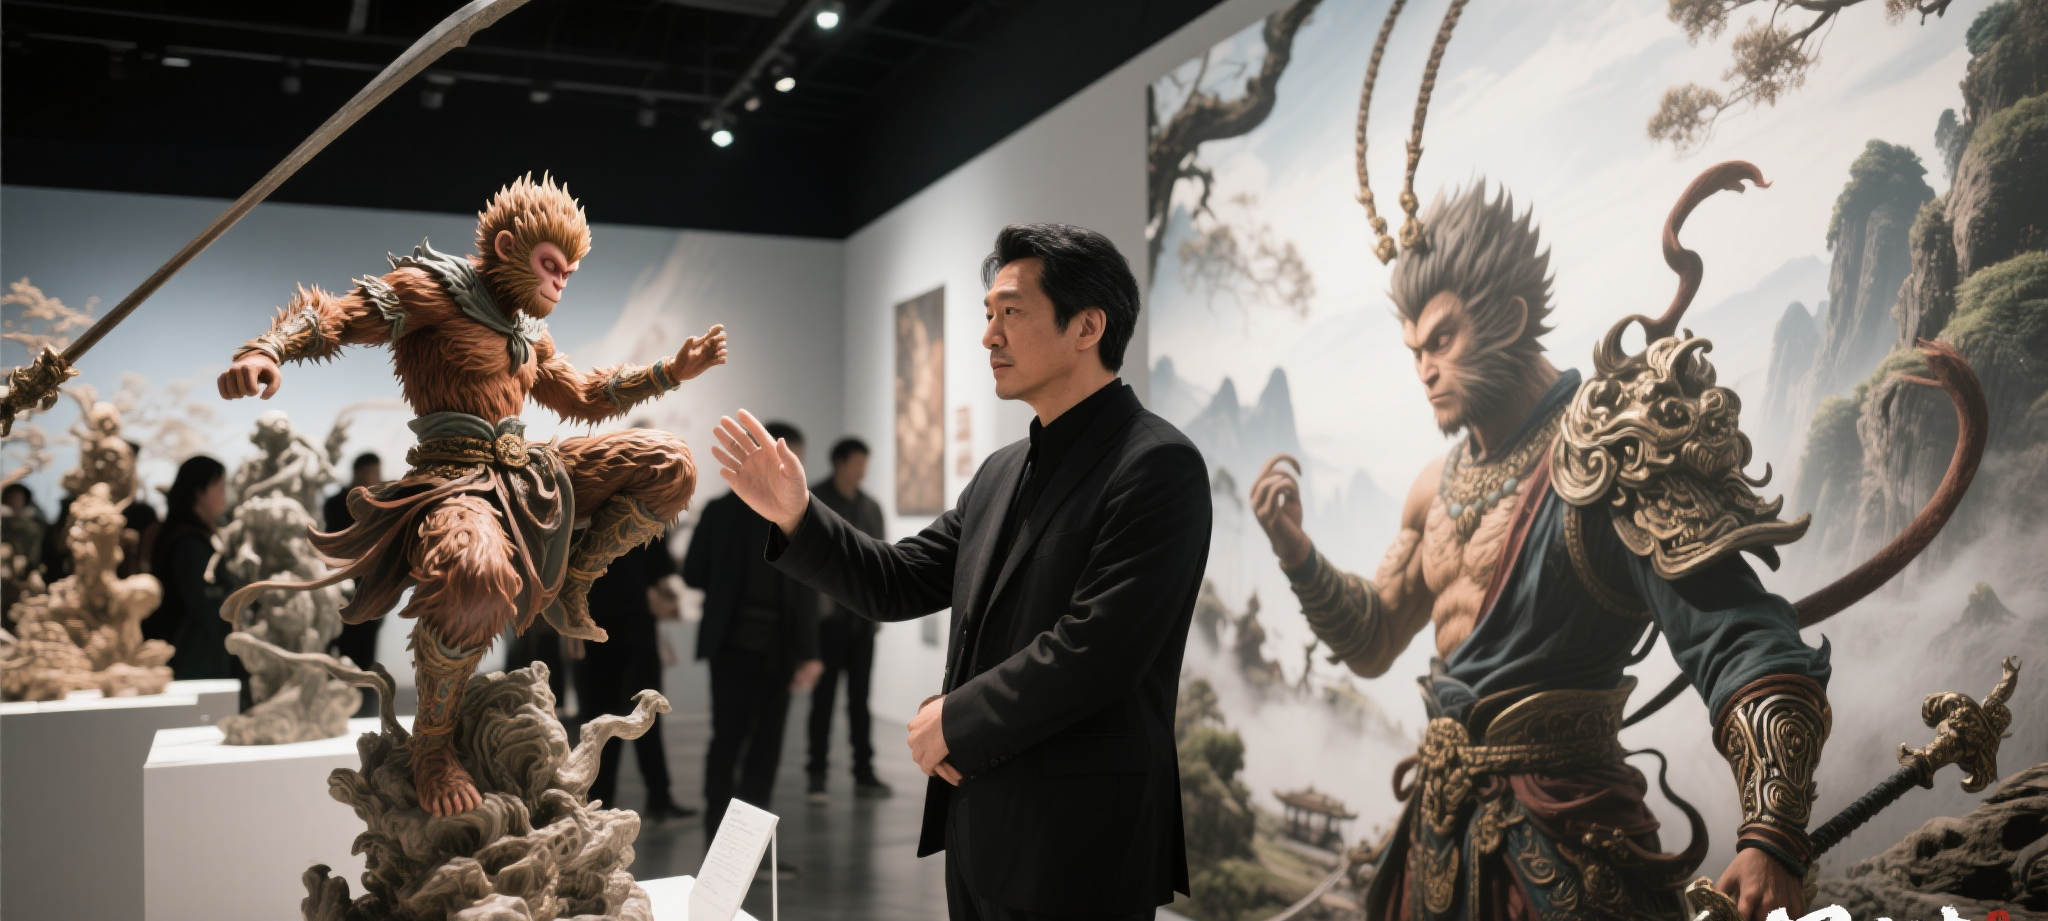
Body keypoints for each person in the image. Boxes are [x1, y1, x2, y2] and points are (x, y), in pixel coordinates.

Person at [1246, 182, 1833, 921]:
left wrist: (1772, 834)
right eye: (1414, 350)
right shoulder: (1433, 487)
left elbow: (1743, 639)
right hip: (1435, 839)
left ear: (1511, 318)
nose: (1423, 369)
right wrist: (1297, 552)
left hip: (1567, 844)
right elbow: (1373, 637)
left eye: (1441, 340)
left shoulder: (1612, 453)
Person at [712, 223, 1211, 920]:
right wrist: (798, 515)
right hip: (980, 825)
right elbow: (896, 579)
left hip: (1084, 839)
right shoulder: (1003, 471)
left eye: (1012, 312)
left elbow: (1098, 650)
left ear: (1087, 327)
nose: (988, 336)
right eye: (988, 313)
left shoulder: (1156, 464)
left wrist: (954, 718)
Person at [213, 174, 726, 816]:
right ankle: (433, 745)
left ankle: (575, 578)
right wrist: (267, 348)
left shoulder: (528, 332)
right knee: (475, 575)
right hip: (451, 478)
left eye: (568, 274)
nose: (559, 284)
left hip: (525, 471)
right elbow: (337, 316)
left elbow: (583, 396)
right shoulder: (432, 289)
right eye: (550, 266)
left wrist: (670, 371)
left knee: (669, 463)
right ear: (509, 247)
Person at [685, 420, 822, 878]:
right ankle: (737, 855)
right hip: (760, 649)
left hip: (742, 647)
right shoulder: (789, 515)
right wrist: (809, 651)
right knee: (755, 750)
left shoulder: (721, 512)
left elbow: (694, 572)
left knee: (734, 745)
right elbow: (805, 588)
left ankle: (728, 851)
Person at [575, 517, 694, 821]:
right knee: (621, 716)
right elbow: (659, 573)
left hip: (612, 626)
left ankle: (613, 800)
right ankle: (630, 798)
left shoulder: (600, 515)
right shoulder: (644, 516)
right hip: (615, 627)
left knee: (627, 715)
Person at [805, 436, 891, 802]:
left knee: (860, 699)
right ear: (840, 462)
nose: (862, 471)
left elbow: (882, 558)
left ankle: (864, 772)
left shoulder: (871, 507)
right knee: (823, 700)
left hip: (861, 620)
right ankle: (817, 775)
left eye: (865, 464)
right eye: (858, 463)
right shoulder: (814, 500)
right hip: (827, 621)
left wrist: (878, 609)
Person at [154, 455, 232, 678]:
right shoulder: (188, 543)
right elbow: (203, 604)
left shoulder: (190, 536)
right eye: (220, 488)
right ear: (200, 492)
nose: (224, 496)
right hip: (194, 661)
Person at [324, 452, 385, 669]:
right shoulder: (335, 504)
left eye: (377, 473)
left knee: (365, 655)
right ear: (359, 473)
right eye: (372, 473)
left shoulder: (380, 505)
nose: (375, 478)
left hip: (372, 590)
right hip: (343, 586)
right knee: (339, 648)